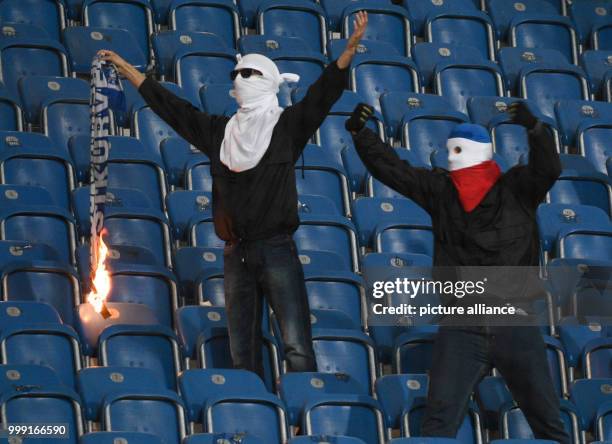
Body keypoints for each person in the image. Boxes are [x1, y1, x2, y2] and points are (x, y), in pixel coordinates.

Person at [98, 12, 368, 380]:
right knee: (242, 349)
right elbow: (172, 108)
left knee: (297, 345)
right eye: (236, 75)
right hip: (235, 254)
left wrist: (347, 54)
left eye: (249, 74)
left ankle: (308, 423)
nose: (239, 80)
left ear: (269, 81)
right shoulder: (220, 132)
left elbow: (321, 96)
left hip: (276, 249)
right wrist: (127, 69)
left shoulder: (287, 126)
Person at [345, 102, 569, 443]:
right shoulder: (441, 190)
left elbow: (548, 168)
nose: (451, 158)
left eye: (459, 150)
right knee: (439, 422)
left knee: (548, 422)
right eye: (449, 150)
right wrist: (362, 136)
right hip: (462, 324)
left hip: (514, 321)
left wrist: (536, 129)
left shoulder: (517, 189)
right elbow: (394, 170)